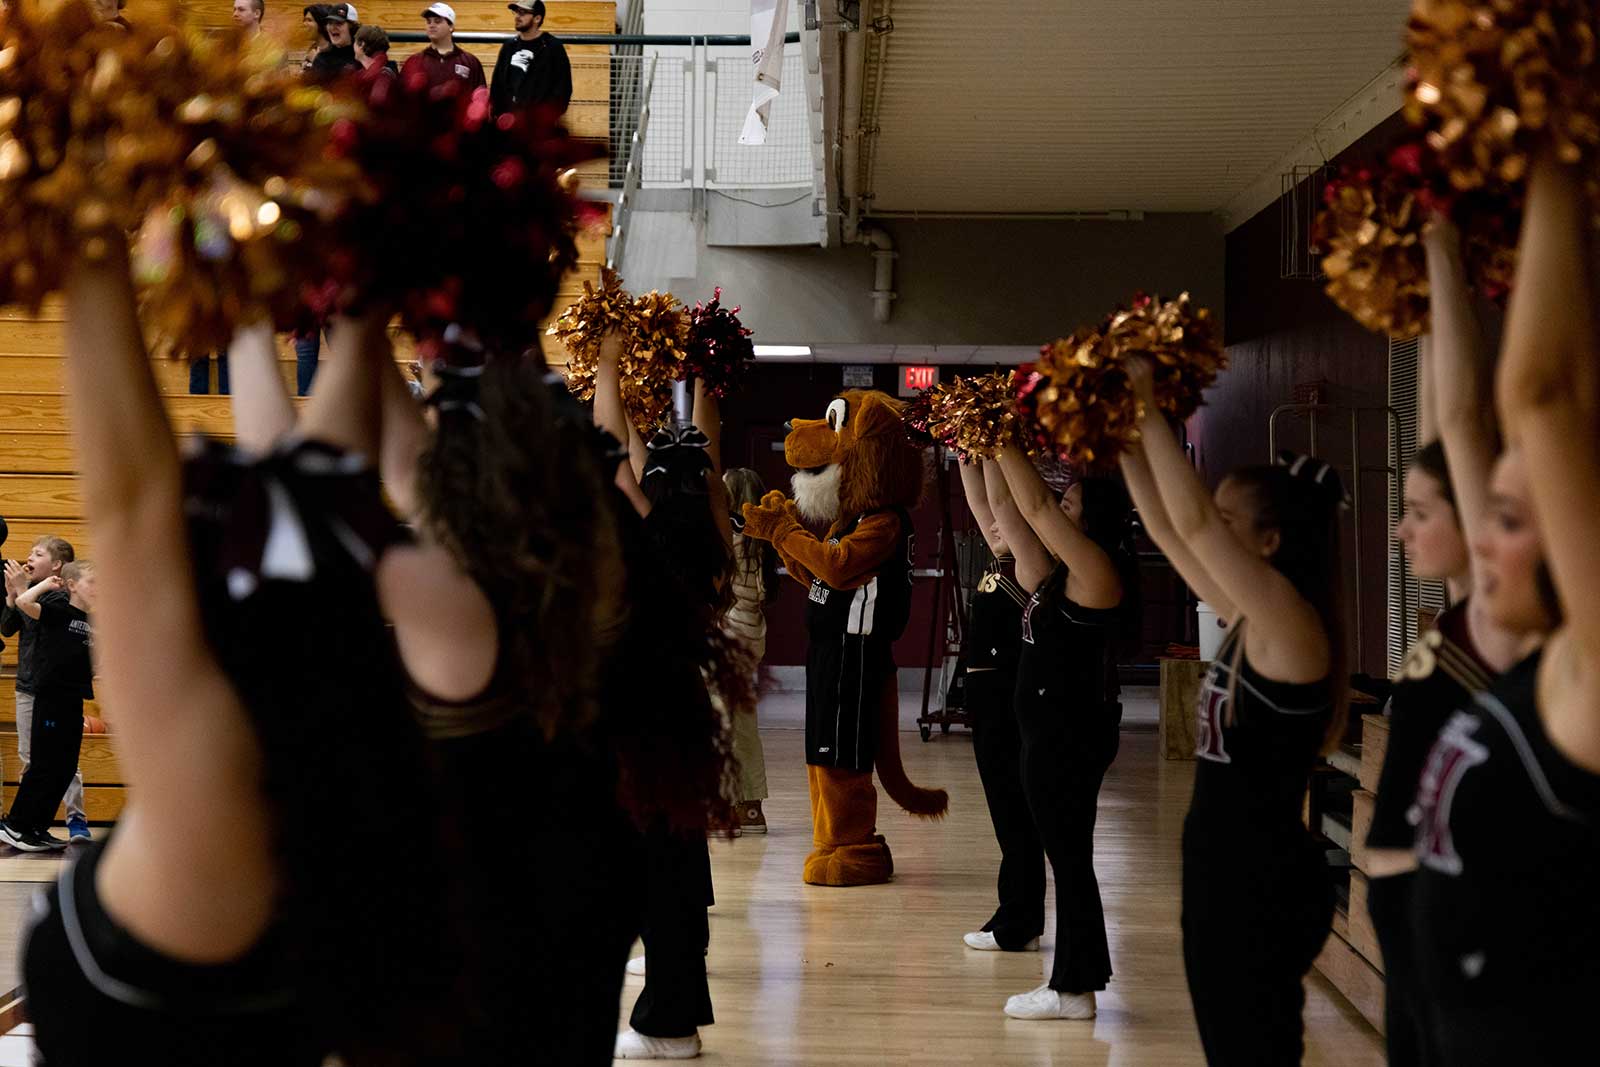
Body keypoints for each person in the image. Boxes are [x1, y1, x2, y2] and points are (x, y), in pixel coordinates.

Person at [19, 237, 457, 1066]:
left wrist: (89, 224)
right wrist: (333, 307)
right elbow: (316, 489)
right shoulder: (309, 763)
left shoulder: (208, 800)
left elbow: (131, 495)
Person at [1407, 147, 1600, 1065]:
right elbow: (1463, 425)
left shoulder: (1588, 671)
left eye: (1513, 519)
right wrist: (1441, 241)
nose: (1481, 534)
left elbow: (1542, 393)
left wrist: (1555, 152)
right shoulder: (1532, 657)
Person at [1121, 364, 1345, 1063]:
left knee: (1255, 1050)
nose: (1209, 531)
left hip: (1262, 883)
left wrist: (1149, 403)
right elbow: (1169, 528)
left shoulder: (1292, 626)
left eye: (1229, 522)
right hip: (1223, 871)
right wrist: (1121, 433)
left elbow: (1188, 518)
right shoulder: (1254, 616)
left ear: (1271, 541)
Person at [1363, 216, 1522, 1066]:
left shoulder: (1506, 620)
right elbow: (1435, 425)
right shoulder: (1458, 611)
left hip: (1465, 938)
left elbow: (1463, 419)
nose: (1399, 529)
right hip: (1412, 933)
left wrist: (1442, 249)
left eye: (1421, 513)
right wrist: (1423, 298)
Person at [983, 450, 1134, 1020]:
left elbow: (1036, 505)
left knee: (1071, 863)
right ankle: (1077, 980)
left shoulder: (1098, 572)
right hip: (1048, 738)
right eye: (1063, 502)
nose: (1059, 509)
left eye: (1072, 504)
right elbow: (1006, 506)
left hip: (1068, 740)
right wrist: (980, 444)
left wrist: (1003, 437)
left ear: (1092, 520)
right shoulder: (1055, 576)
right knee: (1068, 860)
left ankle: (1073, 989)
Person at [955, 459, 1044, 956]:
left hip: (1013, 709)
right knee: (1007, 820)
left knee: (1017, 819)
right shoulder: (1004, 560)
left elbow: (1008, 505)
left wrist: (994, 445)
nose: (993, 522)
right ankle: (1013, 911)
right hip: (989, 710)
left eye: (1006, 520)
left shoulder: (1037, 569)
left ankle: (1021, 919)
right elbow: (984, 504)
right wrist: (970, 451)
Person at [0, 560, 94, 852]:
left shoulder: (95, 621)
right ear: (72, 585)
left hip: (73, 700)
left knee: (64, 768)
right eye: (94, 582)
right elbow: (25, 601)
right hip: (50, 698)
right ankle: (16, 825)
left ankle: (37, 827)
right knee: (44, 765)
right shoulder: (57, 610)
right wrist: (45, 584)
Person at [722, 467, 776, 833]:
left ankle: (723, 804)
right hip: (753, 633)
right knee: (743, 721)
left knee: (720, 721)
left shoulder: (723, 536)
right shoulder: (764, 539)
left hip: (726, 632)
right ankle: (751, 807)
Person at [491, 1, 573, 116]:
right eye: (516, 12)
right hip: (509, 124)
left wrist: (545, 118)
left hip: (538, 127)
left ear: (537, 18)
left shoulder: (552, 47)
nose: (517, 17)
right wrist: (499, 114)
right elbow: (497, 85)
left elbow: (563, 88)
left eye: (523, 13)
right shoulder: (509, 46)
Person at [401, 3, 487, 96]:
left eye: (437, 21)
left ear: (451, 27)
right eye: (428, 22)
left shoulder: (470, 62)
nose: (432, 25)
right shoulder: (414, 62)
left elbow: (481, 98)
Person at [308, 3, 361, 82]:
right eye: (329, 23)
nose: (332, 27)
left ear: (352, 27)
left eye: (339, 23)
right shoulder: (322, 59)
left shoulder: (363, 56)